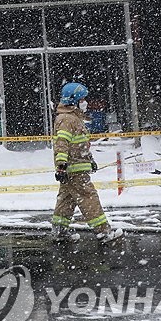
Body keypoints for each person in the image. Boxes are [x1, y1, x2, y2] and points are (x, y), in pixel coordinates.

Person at [51, 82, 123, 243]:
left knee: (66, 199)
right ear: (73, 100)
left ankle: (60, 232)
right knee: (89, 198)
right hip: (74, 169)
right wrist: (61, 165)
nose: (86, 102)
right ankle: (104, 232)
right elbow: (62, 143)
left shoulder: (72, 118)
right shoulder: (67, 119)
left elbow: (80, 144)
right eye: (82, 99)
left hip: (74, 167)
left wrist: (89, 160)